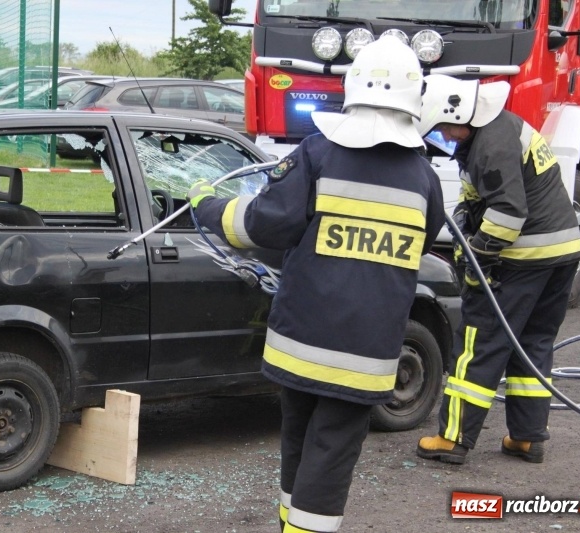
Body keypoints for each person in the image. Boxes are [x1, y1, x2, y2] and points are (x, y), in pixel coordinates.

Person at [187, 36, 444, 533]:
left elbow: (261, 225)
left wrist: (207, 206)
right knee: (329, 456)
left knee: (298, 444)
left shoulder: (318, 153)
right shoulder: (424, 178)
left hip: (300, 344)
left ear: (352, 88)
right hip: (365, 354)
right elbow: (424, 240)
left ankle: (293, 524)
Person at [415, 74, 580, 465]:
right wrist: (463, 213)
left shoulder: (490, 144)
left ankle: (454, 438)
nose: (445, 138)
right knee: (532, 345)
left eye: (443, 128)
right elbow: (483, 194)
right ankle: (526, 437)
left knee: (479, 345)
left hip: (523, 259)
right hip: (561, 255)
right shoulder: (498, 128)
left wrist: (474, 256)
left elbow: (508, 213)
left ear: (459, 115)